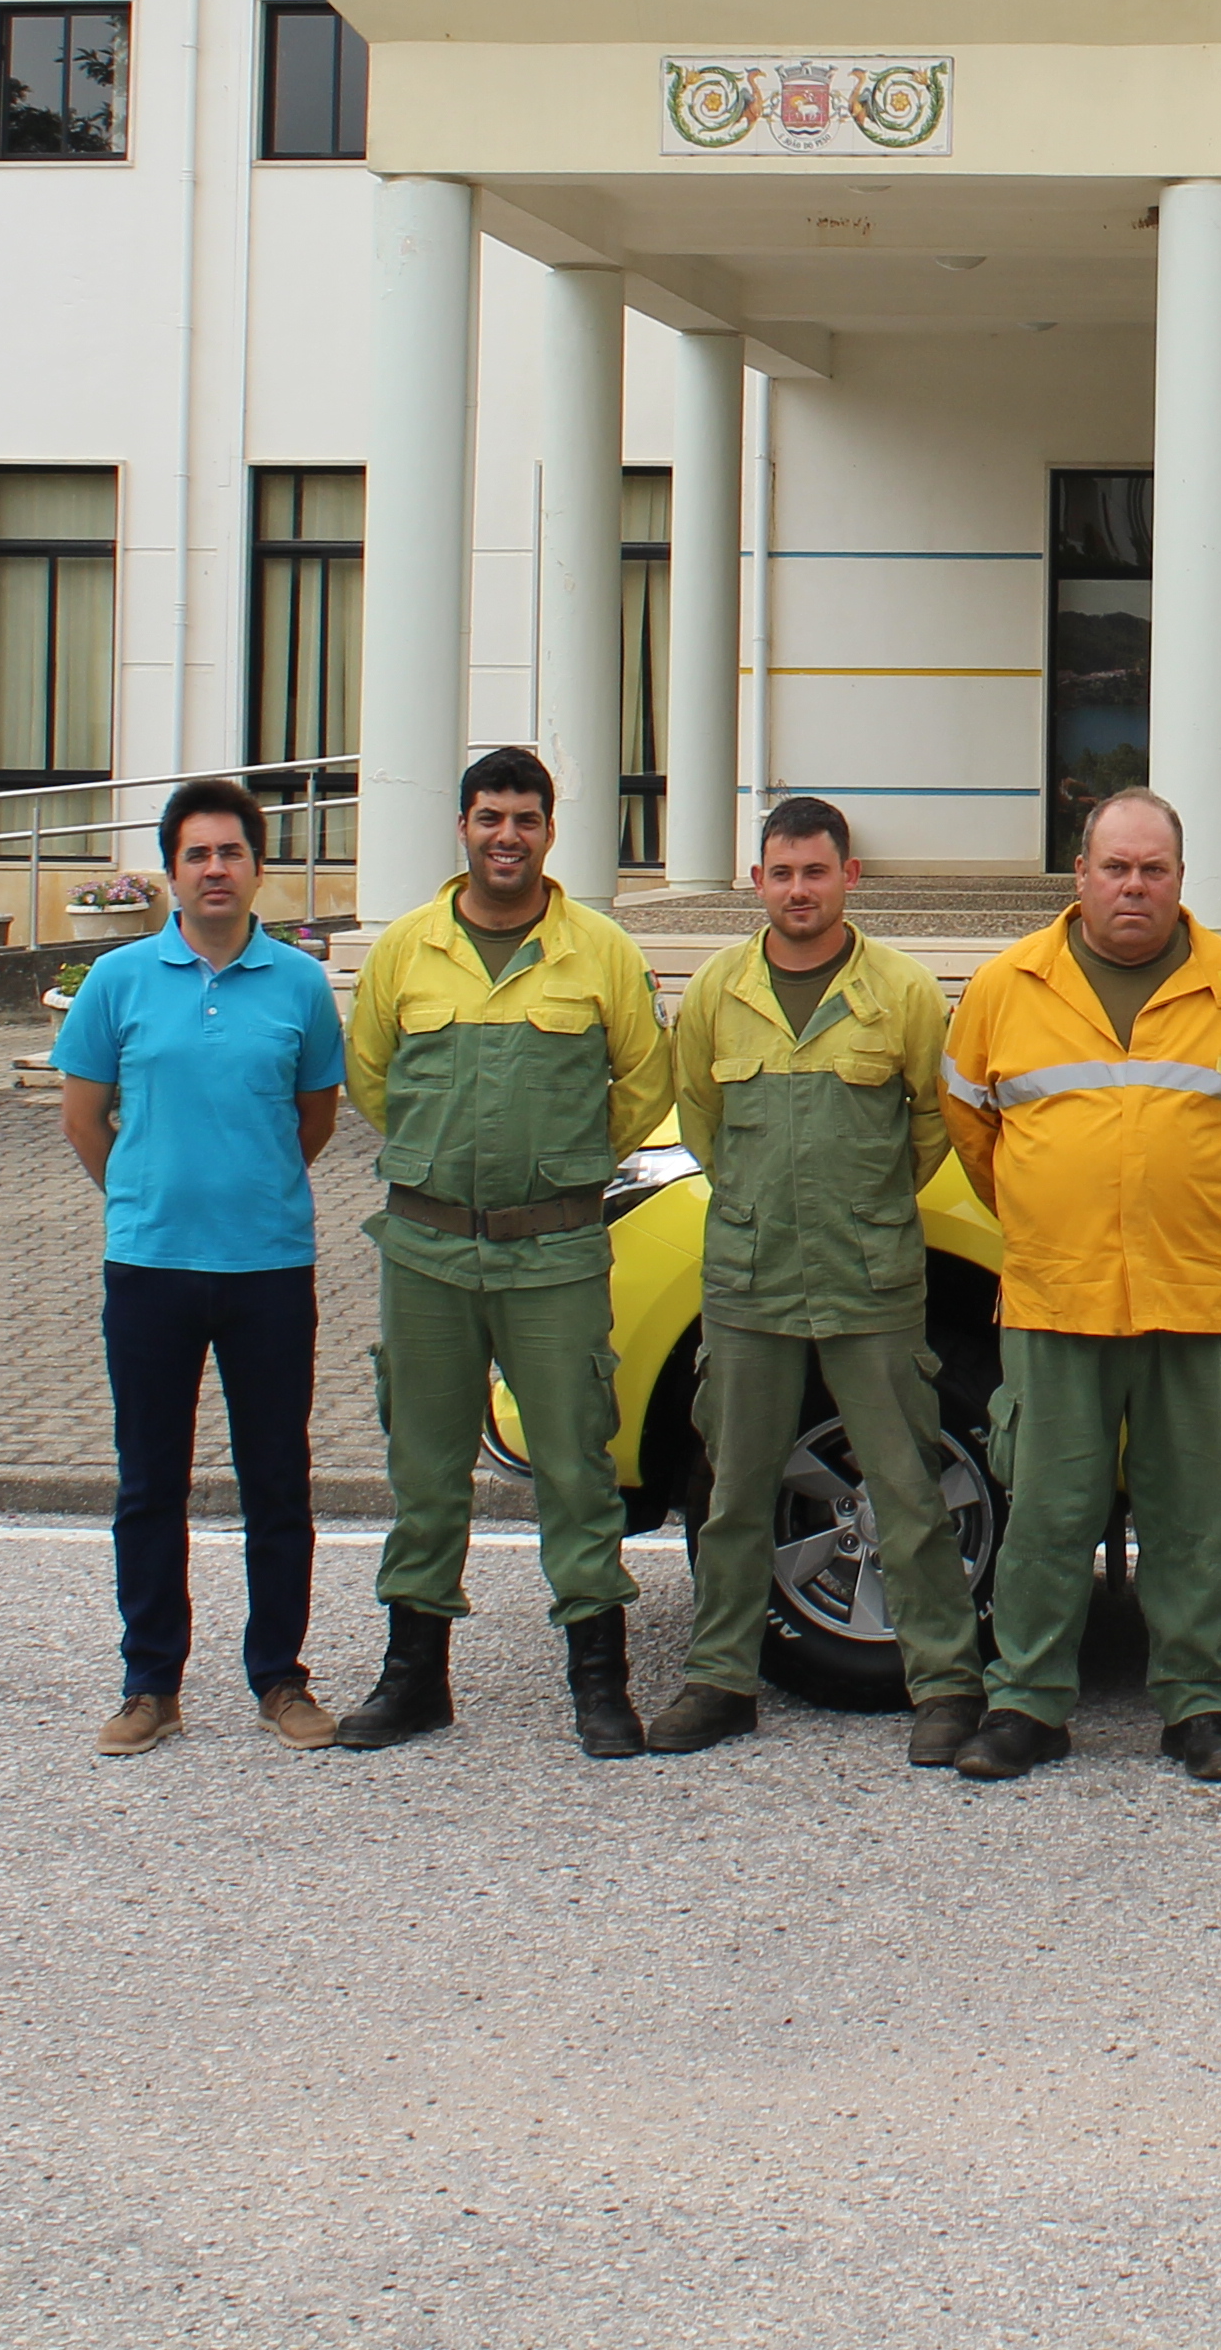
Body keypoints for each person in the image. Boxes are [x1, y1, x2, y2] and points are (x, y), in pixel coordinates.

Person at [938, 787, 1221, 1783]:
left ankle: (1201, 1706)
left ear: (1181, 880)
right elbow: (976, 1132)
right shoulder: (1008, 987)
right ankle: (1026, 1705)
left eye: (1152, 870)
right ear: (1080, 875)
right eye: (1115, 868)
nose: (1132, 887)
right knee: (1050, 1512)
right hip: (1058, 1296)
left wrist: (1177, 1215)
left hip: (1196, 1296)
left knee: (1197, 1517)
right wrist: (1053, 1215)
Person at [332, 747, 677, 1759]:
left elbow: (644, 1086)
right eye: (489, 818)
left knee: (576, 1464)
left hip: (556, 1252)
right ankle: (414, 1679)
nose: (507, 837)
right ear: (462, 827)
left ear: (550, 831)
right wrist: (450, 1166)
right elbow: (373, 1082)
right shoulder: (405, 950)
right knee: (425, 1466)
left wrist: (559, 1166)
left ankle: (599, 1684)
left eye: (525, 819)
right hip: (429, 1249)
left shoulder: (601, 951)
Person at [645, 794, 986, 1768]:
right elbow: (702, 1120)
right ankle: (719, 1681)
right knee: (734, 1488)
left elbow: (929, 1130)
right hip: (750, 1281)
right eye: (781, 873)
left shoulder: (905, 994)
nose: (799, 890)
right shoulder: (716, 990)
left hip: (870, 1279)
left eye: (816, 872)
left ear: (849, 878)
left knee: (907, 1489)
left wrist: (862, 1213)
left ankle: (946, 1685)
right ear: (758, 881)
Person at [53, 775, 352, 1758]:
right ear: (172, 872)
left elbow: (312, 1119)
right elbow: (84, 1119)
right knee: (150, 1483)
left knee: (277, 1480)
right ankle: (151, 1684)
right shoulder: (119, 981)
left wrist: (243, 1187)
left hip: (267, 1267)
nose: (215, 870)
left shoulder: (301, 986)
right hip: (150, 1267)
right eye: (197, 855)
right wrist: (149, 1192)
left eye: (231, 853)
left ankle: (279, 1676)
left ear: (258, 869)